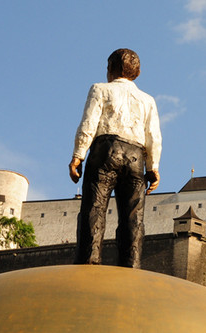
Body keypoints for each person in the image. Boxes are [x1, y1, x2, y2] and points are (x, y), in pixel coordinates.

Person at [69, 48, 162, 268]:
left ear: (111, 69)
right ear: (136, 73)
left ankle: (88, 263)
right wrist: (153, 167)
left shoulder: (100, 89)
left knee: (94, 208)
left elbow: (88, 124)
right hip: (136, 156)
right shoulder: (148, 100)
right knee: (133, 217)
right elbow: (154, 136)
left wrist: (78, 156)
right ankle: (132, 268)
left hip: (106, 150)